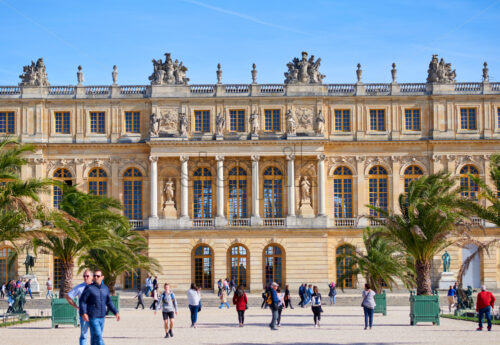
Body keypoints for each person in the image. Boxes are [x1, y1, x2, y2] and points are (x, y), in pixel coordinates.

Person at [80, 269, 120, 345]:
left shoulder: (105, 288)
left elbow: (109, 302)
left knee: (95, 337)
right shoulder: (89, 288)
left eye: (98, 276)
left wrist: (116, 312)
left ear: (102, 277)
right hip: (93, 316)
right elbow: (82, 301)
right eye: (94, 275)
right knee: (99, 337)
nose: (95, 277)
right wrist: (84, 313)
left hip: (102, 317)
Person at [65, 269, 93, 345]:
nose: (85, 277)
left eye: (87, 276)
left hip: (94, 315)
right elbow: (68, 296)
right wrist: (76, 306)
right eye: (84, 276)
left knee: (95, 335)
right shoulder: (79, 287)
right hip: (83, 315)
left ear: (92, 277)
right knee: (84, 335)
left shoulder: (96, 286)